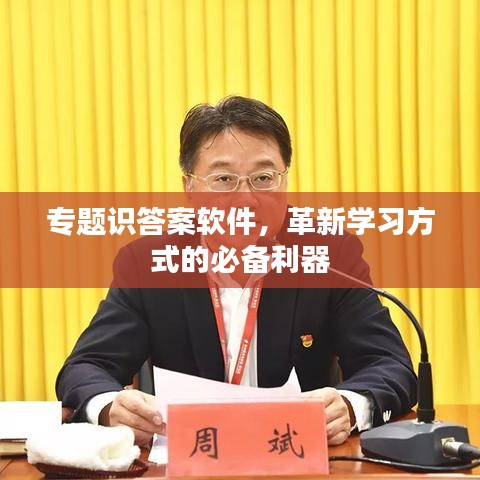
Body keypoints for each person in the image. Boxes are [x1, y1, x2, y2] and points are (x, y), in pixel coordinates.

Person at [56, 96, 417, 447]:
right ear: (190, 188)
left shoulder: (328, 255)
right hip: (190, 458)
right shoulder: (149, 263)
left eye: (263, 178)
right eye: (224, 180)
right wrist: (109, 408)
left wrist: (350, 406)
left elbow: (390, 365)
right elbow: (86, 367)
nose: (246, 199)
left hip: (296, 457)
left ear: (284, 181)